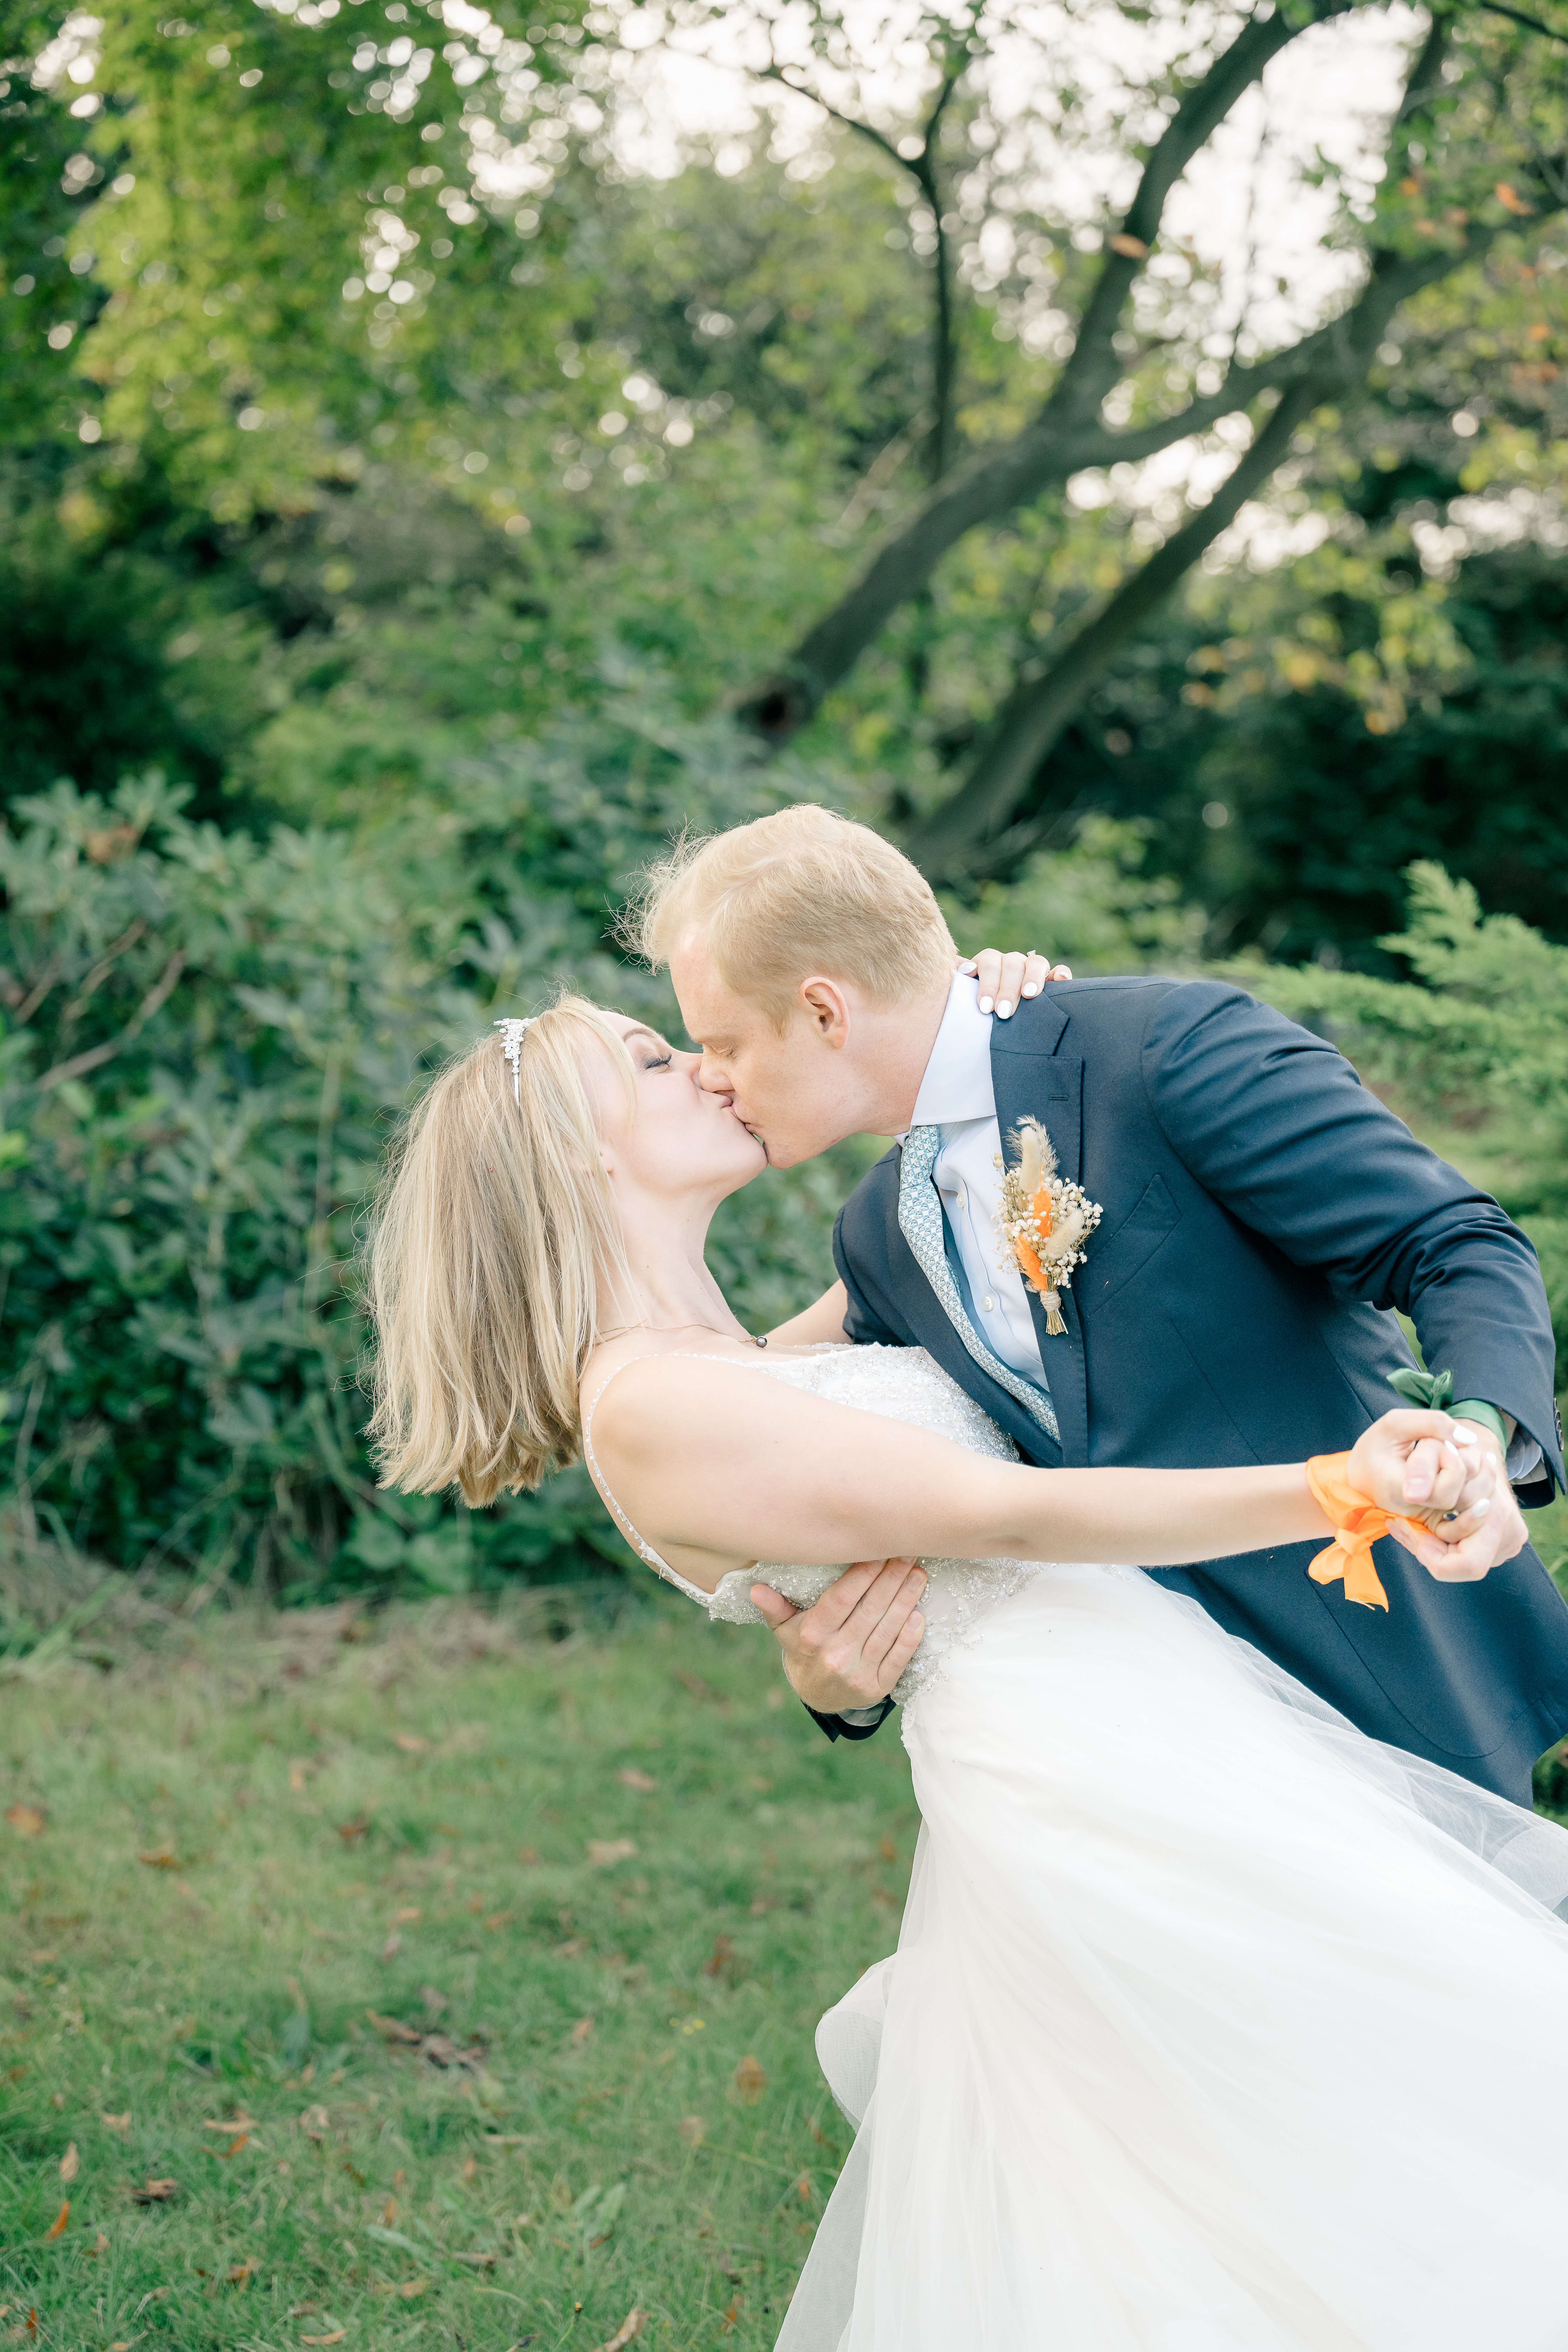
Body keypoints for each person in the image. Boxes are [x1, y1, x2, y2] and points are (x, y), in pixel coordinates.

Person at [367, 992, 1568, 2351]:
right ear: (574, 1149)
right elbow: (1004, 1518)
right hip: (1085, 1772)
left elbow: (959, 1243)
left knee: (1301, 2120)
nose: (703, 1066)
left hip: (1159, 1711)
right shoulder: (646, 1406)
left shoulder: (739, 1359)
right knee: (1322, 2114)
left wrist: (966, 1009)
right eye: (651, 1060)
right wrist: (1337, 1488)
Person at [629, 804, 1568, 1806]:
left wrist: (1475, 1438)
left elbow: (1451, 1243)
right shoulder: (875, 1240)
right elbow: (797, 1459)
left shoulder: (1161, 1052)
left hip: (1400, 1672)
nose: (713, 1080)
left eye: (722, 1043)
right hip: (1154, 1756)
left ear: (824, 1012)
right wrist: (838, 1686)